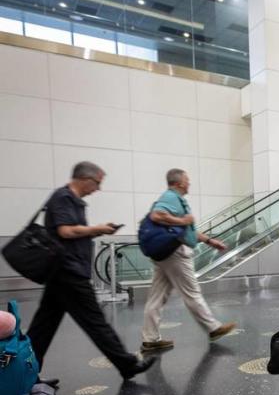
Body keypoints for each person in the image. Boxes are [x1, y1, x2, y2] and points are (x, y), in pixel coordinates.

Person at [27, 162, 155, 381]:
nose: (98, 188)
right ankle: (127, 364)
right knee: (95, 322)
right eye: (97, 183)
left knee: (43, 327)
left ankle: (25, 374)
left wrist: (96, 231)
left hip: (63, 272)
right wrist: (97, 229)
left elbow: (72, 234)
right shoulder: (63, 198)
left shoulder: (73, 201)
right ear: (85, 178)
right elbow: (65, 231)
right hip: (68, 272)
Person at [140, 169, 237, 352]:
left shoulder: (175, 199)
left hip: (164, 255)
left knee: (156, 297)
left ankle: (150, 339)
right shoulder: (171, 197)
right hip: (175, 253)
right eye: (187, 180)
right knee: (191, 292)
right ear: (179, 183)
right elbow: (157, 215)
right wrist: (184, 220)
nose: (189, 183)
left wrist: (209, 241)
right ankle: (213, 328)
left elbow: (186, 230)